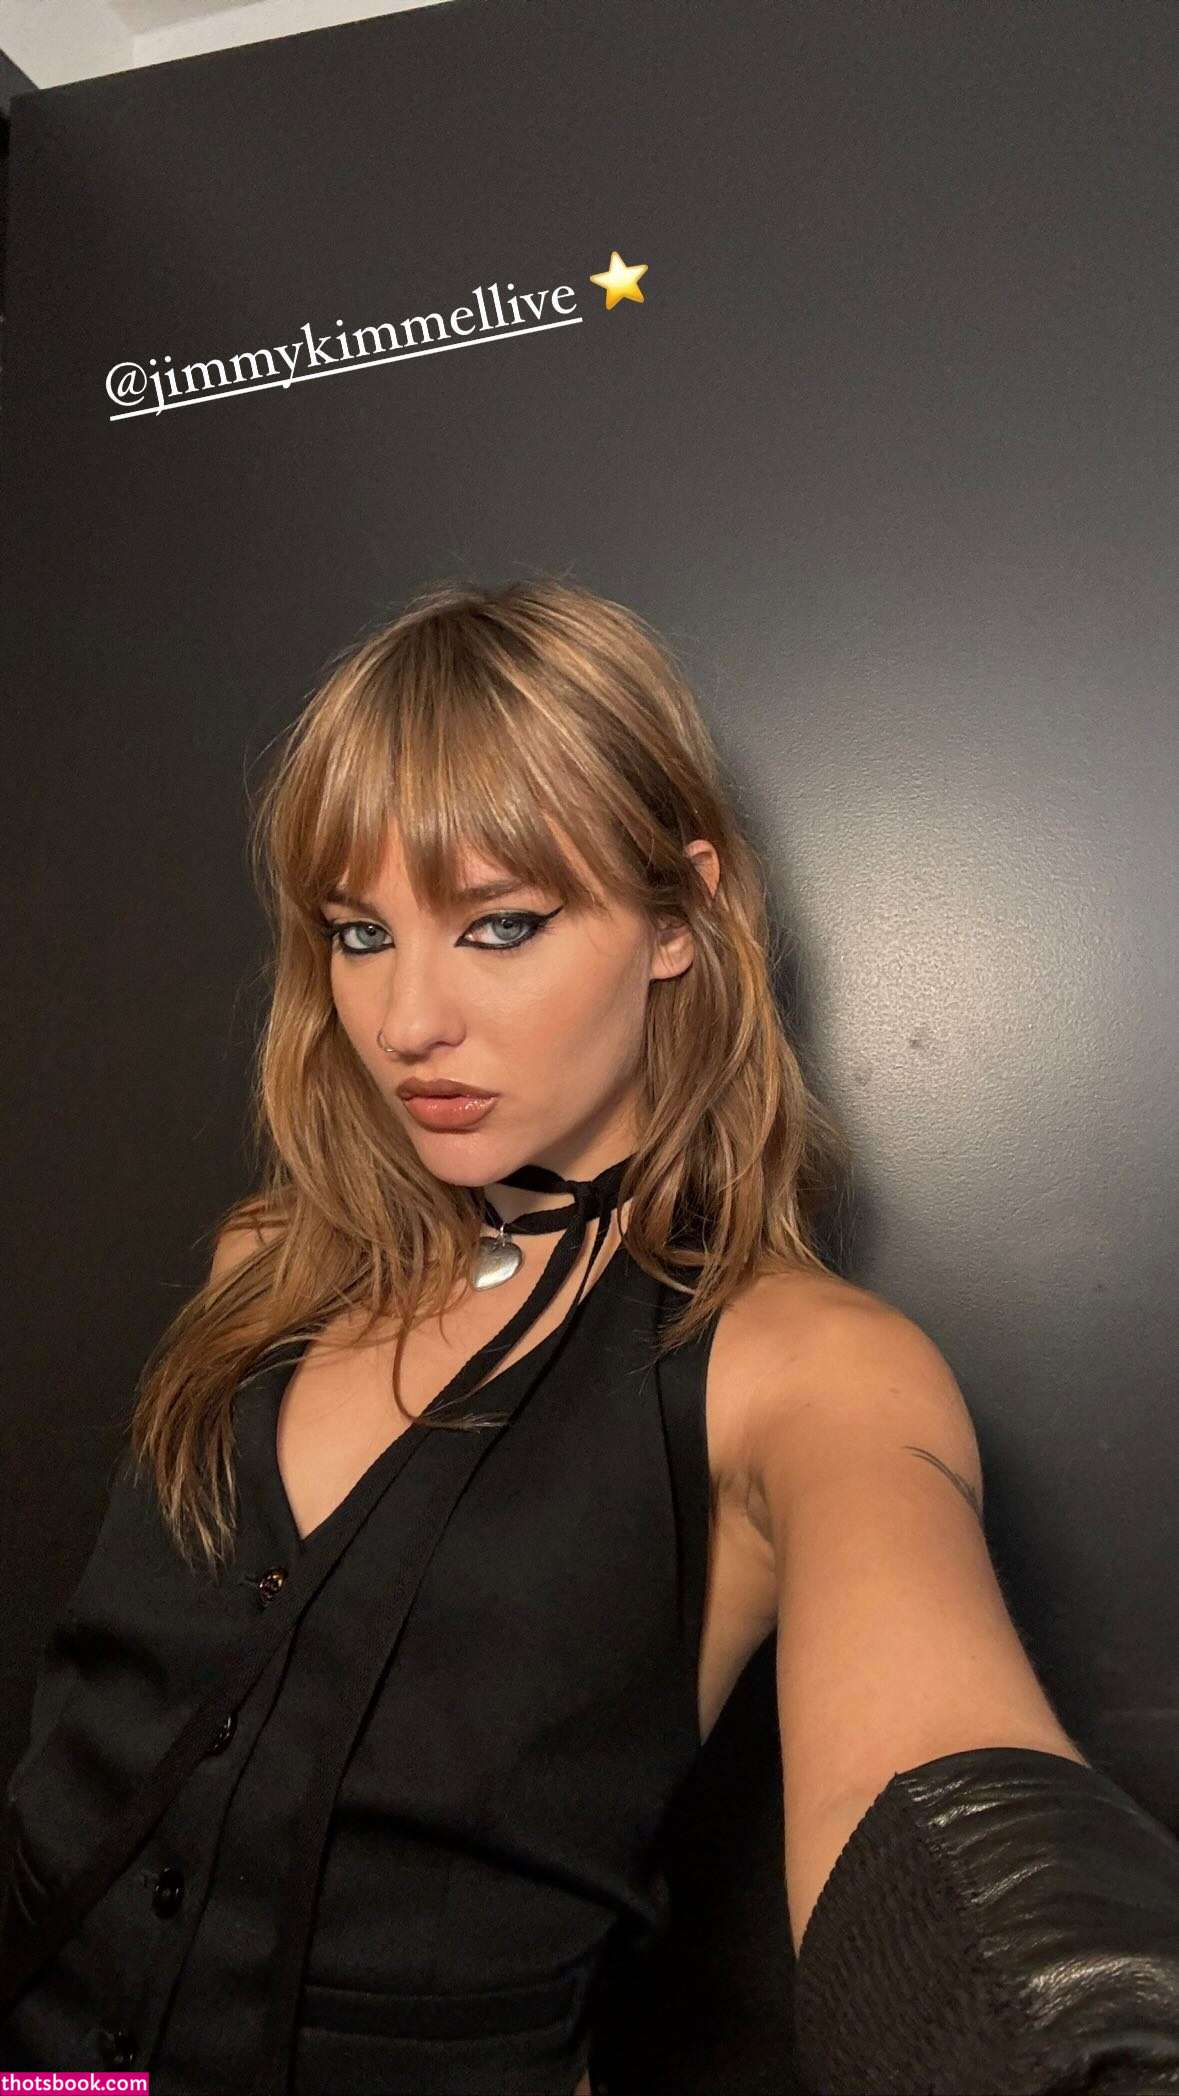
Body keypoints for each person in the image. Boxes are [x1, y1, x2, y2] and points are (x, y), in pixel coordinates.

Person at [2, 576, 1178, 2096]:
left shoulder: (802, 1370)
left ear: (678, 913)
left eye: (500, 925)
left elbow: (954, 1818)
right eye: (360, 933)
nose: (408, 1020)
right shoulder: (269, 1265)